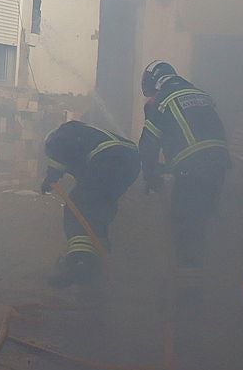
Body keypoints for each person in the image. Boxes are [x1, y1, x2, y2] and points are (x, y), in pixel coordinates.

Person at [138, 60, 230, 275]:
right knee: (203, 216)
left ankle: (188, 278)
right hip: (219, 163)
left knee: (183, 220)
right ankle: (218, 268)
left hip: (192, 166)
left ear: (154, 83)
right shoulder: (199, 93)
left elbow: (148, 143)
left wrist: (150, 174)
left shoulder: (159, 100)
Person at [39, 119, 140, 286]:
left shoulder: (60, 135)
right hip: (132, 161)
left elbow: (58, 150)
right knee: (102, 207)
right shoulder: (85, 139)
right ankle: (97, 257)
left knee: (77, 206)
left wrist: (51, 176)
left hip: (108, 157)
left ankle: (79, 261)